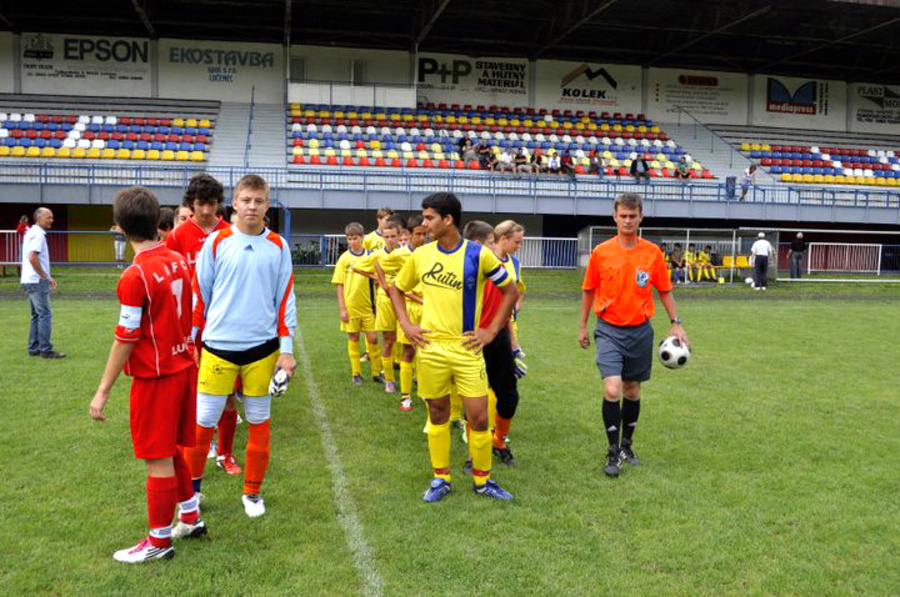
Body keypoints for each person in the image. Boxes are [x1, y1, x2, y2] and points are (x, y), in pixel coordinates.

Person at [88, 186, 203, 563]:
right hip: (184, 367)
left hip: (157, 376)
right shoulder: (178, 258)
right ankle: (189, 516)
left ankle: (158, 541)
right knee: (170, 448)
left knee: (157, 455)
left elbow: (126, 337)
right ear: (158, 221)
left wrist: (102, 390)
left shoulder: (135, 274)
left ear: (119, 227)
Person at [389, 192, 519, 503]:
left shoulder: (478, 254)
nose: (424, 223)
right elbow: (396, 288)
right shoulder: (420, 256)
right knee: (437, 414)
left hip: (466, 349)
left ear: (448, 220)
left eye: (429, 217)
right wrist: (406, 325)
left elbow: (510, 291)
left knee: (479, 418)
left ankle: (483, 481)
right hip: (432, 348)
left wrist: (489, 331)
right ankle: (441, 478)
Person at [184, 174, 297, 518]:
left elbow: (285, 300)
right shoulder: (216, 243)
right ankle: (192, 493)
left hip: (262, 350)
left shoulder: (278, 245)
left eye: (258, 201)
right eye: (245, 200)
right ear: (235, 203)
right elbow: (199, 294)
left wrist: (287, 350)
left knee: (259, 421)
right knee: (203, 423)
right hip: (217, 347)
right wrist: (192, 339)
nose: (251, 206)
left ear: (267, 205)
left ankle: (252, 493)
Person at [578, 193, 688, 478]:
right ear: (615, 217)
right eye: (622, 216)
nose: (627, 220)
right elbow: (588, 290)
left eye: (632, 216)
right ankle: (612, 452)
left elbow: (664, 289)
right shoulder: (601, 252)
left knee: (632, 391)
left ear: (641, 217)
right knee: (612, 389)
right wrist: (582, 327)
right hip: (609, 329)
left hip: (640, 331)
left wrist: (676, 323)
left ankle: (627, 446)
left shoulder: (651, 253)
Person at [165, 174, 242, 476]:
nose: (207, 211)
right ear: (191, 204)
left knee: (228, 394)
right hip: (189, 327)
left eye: (211, 204)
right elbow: (170, 278)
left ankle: (225, 454)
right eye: (200, 204)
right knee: (194, 392)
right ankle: (199, 445)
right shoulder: (179, 235)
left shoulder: (231, 233)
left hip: (226, 326)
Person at [355, 219, 405, 393]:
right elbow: (357, 267)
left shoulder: (406, 254)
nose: (390, 240)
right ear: (383, 237)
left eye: (393, 236)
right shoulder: (377, 256)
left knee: (409, 340)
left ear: (400, 236)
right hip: (385, 300)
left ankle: (413, 376)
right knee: (389, 340)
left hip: (406, 300)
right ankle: (389, 380)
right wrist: (379, 278)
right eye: (387, 237)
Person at [332, 222, 381, 385]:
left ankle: (376, 373)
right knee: (353, 337)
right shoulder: (344, 259)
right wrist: (342, 308)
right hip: (351, 307)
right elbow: (339, 284)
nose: (352, 241)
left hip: (369, 307)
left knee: (373, 339)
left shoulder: (371, 256)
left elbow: (378, 279)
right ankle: (356, 373)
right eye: (349, 238)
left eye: (355, 238)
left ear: (363, 237)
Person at [21, 207, 65, 359]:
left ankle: (34, 347)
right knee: (44, 314)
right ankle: (45, 350)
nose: (52, 220)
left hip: (27, 279)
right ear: (38, 219)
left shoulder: (30, 233)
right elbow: (33, 257)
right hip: (36, 281)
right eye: (49, 217)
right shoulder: (38, 235)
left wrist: (47, 276)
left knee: (36, 315)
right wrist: (44, 277)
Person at [396, 214, 427, 411]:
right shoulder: (399, 255)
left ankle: (425, 393)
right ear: (409, 234)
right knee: (408, 351)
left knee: (426, 354)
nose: (422, 238)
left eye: (425, 234)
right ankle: (405, 396)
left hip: (429, 312)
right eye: (418, 234)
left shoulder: (432, 253)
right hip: (410, 310)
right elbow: (378, 265)